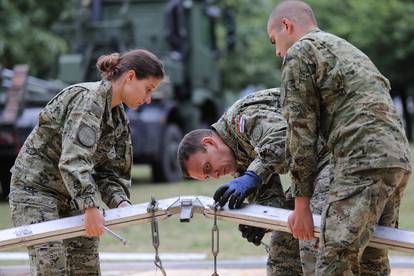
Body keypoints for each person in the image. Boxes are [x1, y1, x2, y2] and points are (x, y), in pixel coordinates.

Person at [267, 1, 411, 275]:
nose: (277, 51)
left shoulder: (300, 52)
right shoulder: (344, 48)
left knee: (335, 260)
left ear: (287, 25)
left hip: (362, 161)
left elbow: (301, 133)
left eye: (275, 40)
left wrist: (301, 205)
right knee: (371, 262)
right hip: (397, 160)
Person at [9, 49, 164, 275]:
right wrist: (91, 206)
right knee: (51, 266)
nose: (148, 99)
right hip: (35, 191)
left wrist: (121, 204)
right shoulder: (88, 99)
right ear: (130, 77)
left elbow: (111, 173)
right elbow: (73, 160)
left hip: (70, 193)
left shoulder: (118, 118)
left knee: (86, 266)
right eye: (148, 89)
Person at [177, 87, 331, 275]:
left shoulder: (242, 118)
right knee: (282, 246)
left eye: (208, 167)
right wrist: (261, 222)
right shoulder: (238, 160)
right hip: (313, 169)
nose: (216, 176)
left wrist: (252, 176)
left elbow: (284, 139)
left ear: (210, 143)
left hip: (340, 152)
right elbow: (271, 200)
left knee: (311, 234)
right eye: (208, 176)